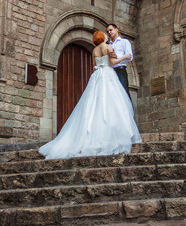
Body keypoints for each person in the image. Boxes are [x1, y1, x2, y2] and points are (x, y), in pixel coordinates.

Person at [39, 30, 141, 159]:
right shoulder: (108, 47)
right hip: (108, 75)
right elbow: (114, 63)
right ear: (102, 37)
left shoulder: (94, 51)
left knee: (94, 103)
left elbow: (94, 66)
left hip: (97, 76)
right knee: (112, 102)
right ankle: (112, 133)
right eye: (104, 34)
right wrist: (125, 57)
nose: (106, 34)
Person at [106, 23, 132, 101]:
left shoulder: (124, 42)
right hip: (110, 72)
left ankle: (129, 113)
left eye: (111, 30)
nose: (109, 32)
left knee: (124, 93)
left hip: (121, 70)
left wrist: (117, 57)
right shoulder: (107, 45)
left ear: (116, 29)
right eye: (107, 31)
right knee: (112, 95)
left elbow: (130, 57)